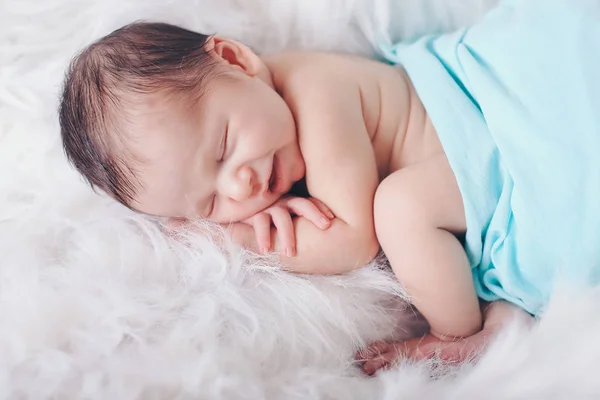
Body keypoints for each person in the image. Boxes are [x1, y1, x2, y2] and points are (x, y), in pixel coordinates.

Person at [59, 0, 600, 374]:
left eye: (224, 147)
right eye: (212, 202)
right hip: (464, 168)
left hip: (492, 130)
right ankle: (501, 313)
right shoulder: (271, 132)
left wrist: (240, 239)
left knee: (400, 209)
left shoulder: (314, 92)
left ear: (235, 60)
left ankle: (460, 335)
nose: (242, 183)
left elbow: (353, 238)